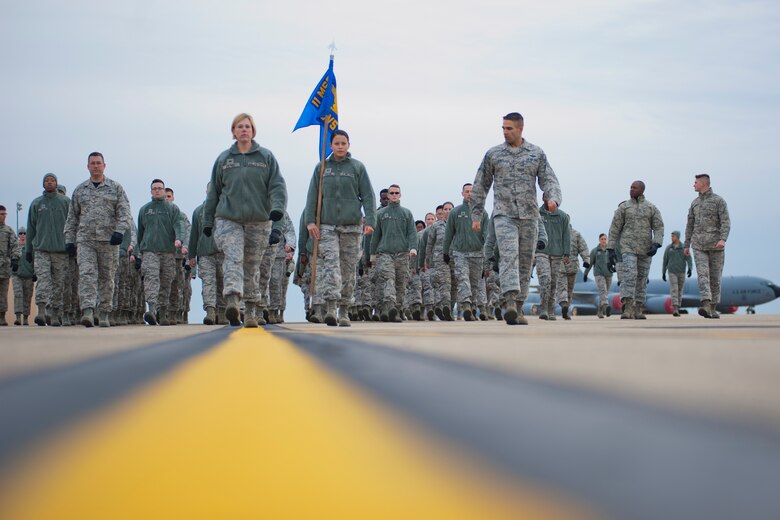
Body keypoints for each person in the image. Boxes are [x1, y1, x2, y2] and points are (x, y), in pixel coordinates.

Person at [471, 112, 562, 325]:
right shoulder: (493, 154)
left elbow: (548, 179)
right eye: (503, 128)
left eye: (509, 128)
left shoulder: (536, 153)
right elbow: (480, 184)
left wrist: (553, 198)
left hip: (529, 216)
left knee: (525, 261)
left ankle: (518, 308)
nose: (505, 132)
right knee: (508, 255)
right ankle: (510, 300)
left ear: (520, 129)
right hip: (504, 215)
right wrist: (476, 214)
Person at [203, 113, 288, 328]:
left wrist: (277, 211)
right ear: (233, 132)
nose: (244, 130)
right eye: (239, 127)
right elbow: (214, 191)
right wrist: (207, 221)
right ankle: (232, 299)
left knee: (252, 264)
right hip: (228, 218)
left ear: (253, 131)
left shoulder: (265, 157)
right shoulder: (224, 159)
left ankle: (250, 310)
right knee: (233, 257)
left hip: (258, 220)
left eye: (247, 126)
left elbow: (277, 186)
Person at [304, 129, 375, 327]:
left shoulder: (357, 168)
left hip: (352, 226)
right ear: (331, 145)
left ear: (349, 145)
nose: (340, 146)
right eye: (337, 143)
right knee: (331, 267)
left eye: (344, 143)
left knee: (348, 269)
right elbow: (312, 196)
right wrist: (310, 221)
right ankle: (330, 308)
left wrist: (370, 220)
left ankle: (344, 310)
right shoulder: (322, 168)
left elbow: (368, 196)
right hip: (327, 226)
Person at [64, 152, 132, 328]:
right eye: (92, 163)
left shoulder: (115, 188)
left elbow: (125, 213)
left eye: (98, 163)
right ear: (87, 167)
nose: (95, 166)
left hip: (109, 241)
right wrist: (70, 240)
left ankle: (104, 313)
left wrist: (119, 231)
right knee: (87, 275)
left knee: (107, 277)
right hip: (85, 240)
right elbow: (72, 217)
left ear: (104, 166)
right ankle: (87, 310)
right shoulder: (80, 190)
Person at [607, 180, 664, 320]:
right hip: (628, 248)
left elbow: (659, 227)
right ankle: (627, 307)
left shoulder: (651, 208)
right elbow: (614, 229)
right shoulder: (624, 208)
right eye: (630, 187)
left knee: (642, 278)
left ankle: (638, 308)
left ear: (642, 190)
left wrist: (656, 244)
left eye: (635, 187)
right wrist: (610, 249)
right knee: (630, 275)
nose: (631, 189)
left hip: (645, 249)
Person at [136, 179, 187, 325]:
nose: (157, 190)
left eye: (160, 188)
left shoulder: (172, 209)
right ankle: (151, 309)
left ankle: (162, 311)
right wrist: (140, 252)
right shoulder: (145, 209)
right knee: (151, 278)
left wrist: (179, 239)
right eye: (155, 188)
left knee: (166, 281)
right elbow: (141, 231)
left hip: (168, 252)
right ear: (151, 191)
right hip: (150, 251)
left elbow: (179, 224)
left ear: (164, 191)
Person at [26, 173, 70, 326]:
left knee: (59, 283)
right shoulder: (37, 203)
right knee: (43, 281)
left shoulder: (65, 202)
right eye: (47, 181)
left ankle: (56, 313)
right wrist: (28, 250)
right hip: (41, 249)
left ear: (56, 183)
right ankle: (41, 312)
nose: (49, 183)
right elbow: (31, 228)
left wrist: (72, 245)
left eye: (52, 180)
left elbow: (72, 225)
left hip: (61, 250)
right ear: (43, 184)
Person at [684, 173, 730, 319]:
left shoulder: (718, 201)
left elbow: (726, 222)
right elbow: (690, 224)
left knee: (715, 278)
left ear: (704, 183)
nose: (694, 185)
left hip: (716, 246)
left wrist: (723, 239)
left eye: (696, 182)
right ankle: (705, 303)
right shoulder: (694, 203)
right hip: (698, 246)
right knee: (703, 276)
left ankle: (713, 307)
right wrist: (686, 244)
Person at [370, 184, 417, 322]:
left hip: (402, 254)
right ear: (388, 196)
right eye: (392, 193)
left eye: (397, 193)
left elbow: (412, 233)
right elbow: (375, 236)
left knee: (401, 283)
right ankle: (389, 308)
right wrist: (372, 255)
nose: (394, 195)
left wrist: (413, 247)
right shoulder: (380, 214)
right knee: (388, 279)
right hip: (385, 254)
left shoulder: (407, 213)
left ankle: (398, 309)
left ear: (400, 195)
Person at [443, 183, 488, 321]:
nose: (469, 194)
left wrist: (487, 255)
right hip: (460, 253)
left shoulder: (482, 213)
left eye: (472, 192)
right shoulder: (455, 212)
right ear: (462, 193)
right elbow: (449, 233)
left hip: (477, 253)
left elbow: (487, 236)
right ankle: (466, 304)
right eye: (467, 191)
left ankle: (472, 308)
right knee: (463, 280)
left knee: (474, 284)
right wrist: (445, 252)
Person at [535, 194, 570, 321]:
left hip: (557, 253)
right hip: (541, 252)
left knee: (554, 282)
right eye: (547, 197)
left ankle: (551, 309)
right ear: (543, 198)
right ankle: (543, 307)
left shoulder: (562, 216)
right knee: (545, 279)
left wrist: (567, 253)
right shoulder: (537, 213)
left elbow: (566, 235)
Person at [425, 201, 455, 320]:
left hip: (456, 258)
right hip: (440, 258)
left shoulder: (457, 224)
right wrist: (428, 259)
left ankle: (450, 309)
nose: (447, 211)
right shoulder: (436, 226)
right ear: (442, 212)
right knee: (444, 283)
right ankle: (444, 306)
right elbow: (429, 244)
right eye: (445, 209)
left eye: (450, 209)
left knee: (455, 285)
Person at [558, 225, 590, 320]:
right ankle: (565, 306)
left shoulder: (575, 234)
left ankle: (564, 305)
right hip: (565, 266)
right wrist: (586, 260)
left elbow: (583, 248)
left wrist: (586, 260)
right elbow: (583, 248)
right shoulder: (575, 234)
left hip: (565, 266)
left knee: (565, 289)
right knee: (567, 289)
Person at [662, 231, 693, 317]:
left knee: (680, 290)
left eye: (673, 236)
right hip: (672, 271)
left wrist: (690, 268)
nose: (672, 238)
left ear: (678, 237)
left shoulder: (684, 248)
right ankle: (675, 308)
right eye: (671, 236)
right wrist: (663, 272)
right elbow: (665, 260)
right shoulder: (669, 248)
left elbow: (689, 259)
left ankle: (678, 307)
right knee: (674, 289)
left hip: (681, 271)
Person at [583, 233, 613, 318]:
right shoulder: (595, 251)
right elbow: (590, 263)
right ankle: (607, 307)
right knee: (602, 290)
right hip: (598, 274)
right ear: (599, 240)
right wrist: (585, 273)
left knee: (604, 293)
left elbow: (614, 261)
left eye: (605, 239)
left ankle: (600, 311)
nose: (603, 240)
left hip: (609, 274)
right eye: (602, 239)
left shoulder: (610, 250)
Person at [0, 205, 20, 326]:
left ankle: (1, 316)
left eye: (4, 214)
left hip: (4, 267)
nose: (3, 216)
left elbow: (14, 245)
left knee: (3, 293)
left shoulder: (8, 230)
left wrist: (15, 258)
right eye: (1, 214)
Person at [12, 227, 35, 325]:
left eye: (24, 233)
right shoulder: (14, 247)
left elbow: (36, 261)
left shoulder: (31, 247)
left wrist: (35, 273)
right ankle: (18, 317)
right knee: (18, 295)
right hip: (17, 275)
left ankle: (25, 318)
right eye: (20, 233)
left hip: (29, 275)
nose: (22, 235)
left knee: (27, 297)